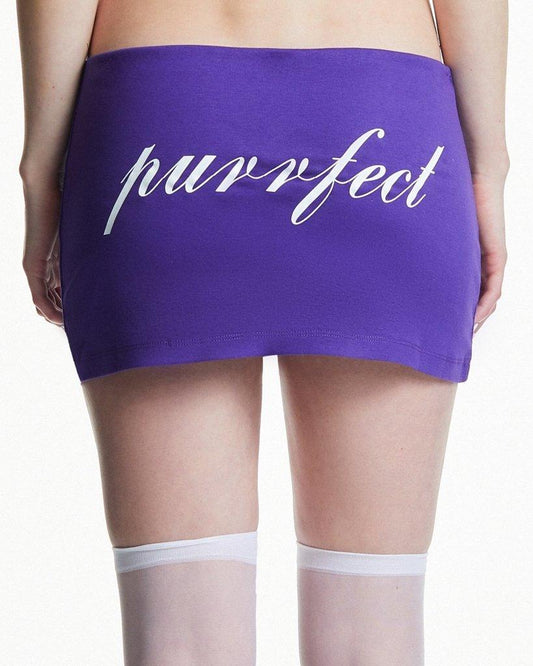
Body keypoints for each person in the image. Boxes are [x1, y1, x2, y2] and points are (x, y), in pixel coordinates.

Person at [16, 1, 509, 664]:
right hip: (385, 125)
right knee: (372, 629)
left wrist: (42, 175)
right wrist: (487, 171)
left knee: (182, 635)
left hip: (161, 116)